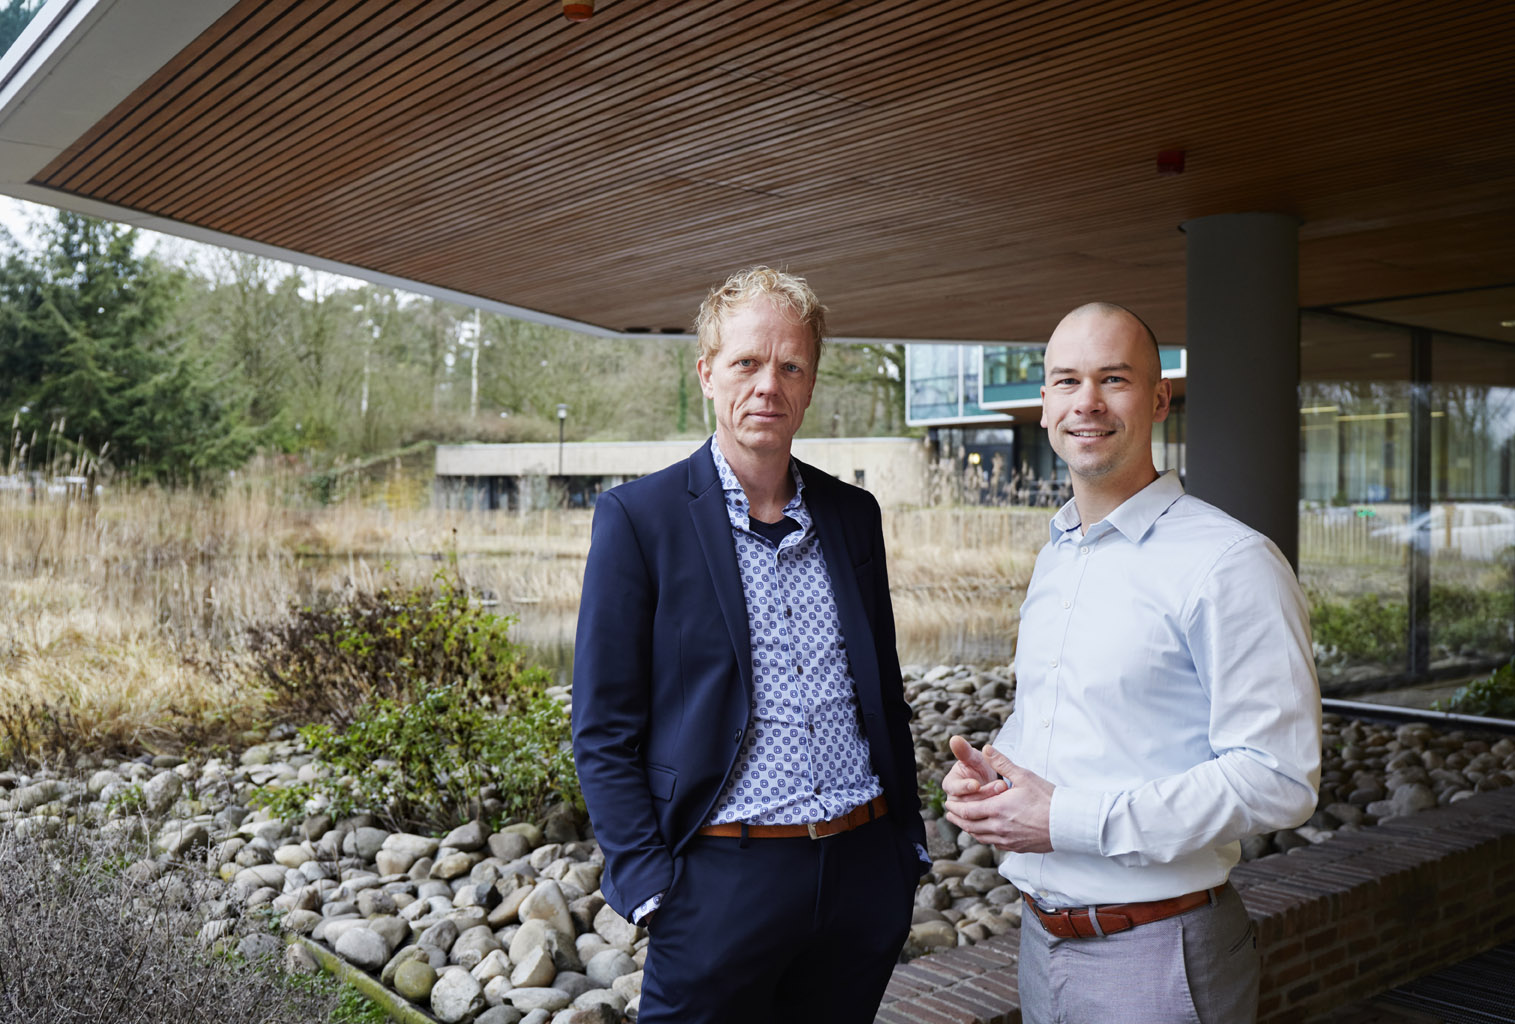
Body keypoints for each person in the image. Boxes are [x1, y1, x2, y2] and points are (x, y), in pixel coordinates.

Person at [943, 302, 1321, 1024]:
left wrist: (1066, 819)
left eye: (1111, 379)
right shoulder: (1057, 551)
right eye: (1065, 381)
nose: (1085, 402)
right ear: (1046, 403)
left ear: (1157, 399)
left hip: (1158, 959)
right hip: (1039, 944)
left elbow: (1276, 779)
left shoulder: (1229, 563)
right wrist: (995, 779)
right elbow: (1071, 719)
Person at [572, 266, 928, 1024]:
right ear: (707, 372)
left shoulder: (852, 515)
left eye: (790, 365)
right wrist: (648, 886)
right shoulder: (640, 519)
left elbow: (882, 693)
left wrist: (906, 849)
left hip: (863, 868)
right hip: (720, 882)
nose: (768, 384)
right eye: (746, 362)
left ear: (809, 382)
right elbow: (603, 728)